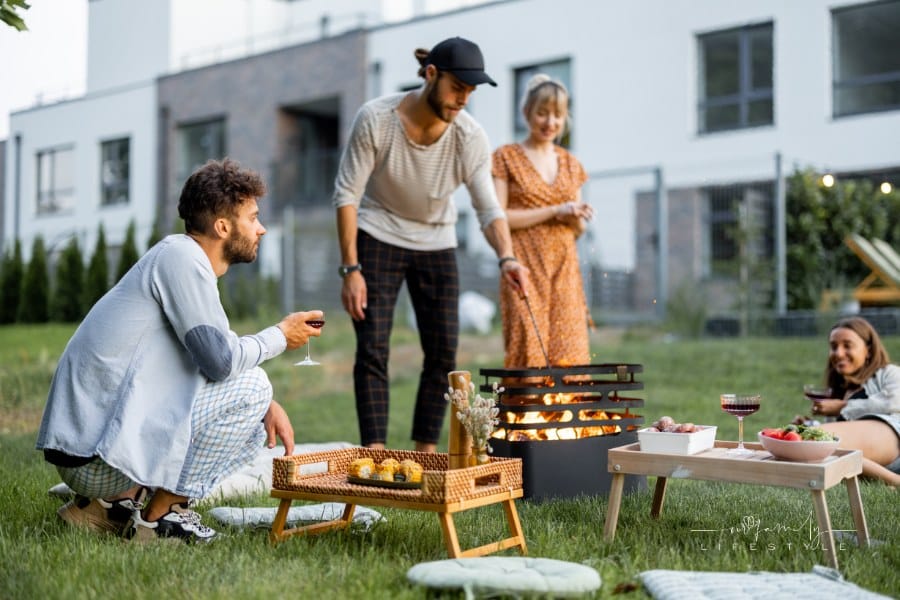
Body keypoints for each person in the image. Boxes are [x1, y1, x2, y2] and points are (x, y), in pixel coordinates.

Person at [36, 158, 325, 542]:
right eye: (253, 217)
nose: (262, 228)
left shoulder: (180, 260)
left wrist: (267, 406)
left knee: (257, 408)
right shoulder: (183, 259)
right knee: (254, 387)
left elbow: (208, 357)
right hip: (93, 457)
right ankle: (162, 520)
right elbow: (221, 362)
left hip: (84, 449)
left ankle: (110, 508)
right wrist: (281, 336)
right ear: (223, 227)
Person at [333, 37, 529, 453]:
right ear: (431, 74)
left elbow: (488, 208)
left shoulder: (469, 137)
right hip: (378, 232)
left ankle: (426, 453)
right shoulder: (376, 118)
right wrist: (351, 270)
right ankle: (375, 454)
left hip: (437, 240)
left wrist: (507, 258)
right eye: (457, 87)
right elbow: (347, 195)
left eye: (470, 91)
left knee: (442, 353)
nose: (463, 99)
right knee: (373, 348)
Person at [492, 74, 593, 369]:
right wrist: (555, 210)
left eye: (558, 115)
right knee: (528, 354)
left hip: (564, 268)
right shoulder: (505, 157)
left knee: (569, 354)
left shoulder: (571, 164)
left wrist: (575, 217)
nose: (550, 122)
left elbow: (578, 230)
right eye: (542, 113)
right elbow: (499, 217)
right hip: (523, 267)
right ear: (526, 112)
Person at [809, 316, 900, 486]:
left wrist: (842, 407)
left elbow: (894, 402)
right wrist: (809, 425)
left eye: (847, 345)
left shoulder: (890, 373)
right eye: (834, 346)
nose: (838, 353)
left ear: (869, 350)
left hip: (895, 438)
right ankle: (887, 479)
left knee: (819, 440)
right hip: (869, 454)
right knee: (811, 443)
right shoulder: (839, 390)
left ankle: (895, 481)